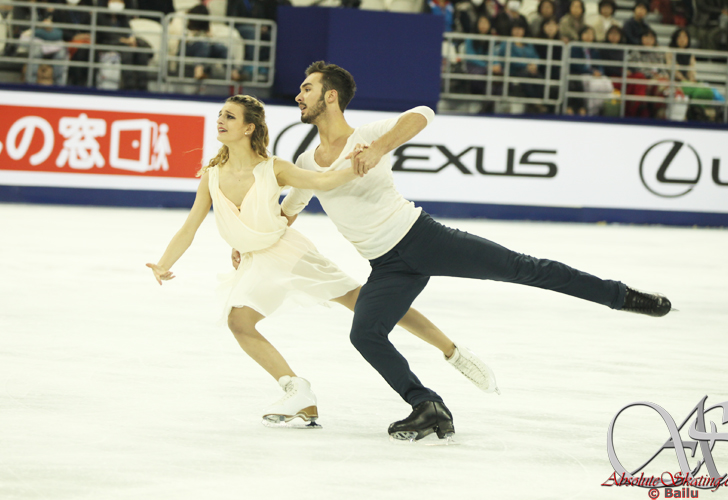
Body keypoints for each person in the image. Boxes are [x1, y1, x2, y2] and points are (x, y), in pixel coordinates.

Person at [281, 61, 672, 442]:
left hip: (423, 239)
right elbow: (290, 208)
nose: (299, 95)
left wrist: (378, 149)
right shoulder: (306, 162)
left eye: (307, 88)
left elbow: (422, 114)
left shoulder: (368, 135)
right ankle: (427, 405)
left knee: (524, 268)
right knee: (365, 334)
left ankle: (619, 295)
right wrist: (257, 232)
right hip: (386, 267)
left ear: (330, 97)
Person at [148, 94, 498, 428]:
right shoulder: (212, 174)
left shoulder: (273, 168)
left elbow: (323, 180)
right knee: (239, 321)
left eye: (229, 116)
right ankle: (297, 391)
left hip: (288, 251)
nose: (220, 121)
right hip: (256, 260)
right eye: (220, 115)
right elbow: (190, 226)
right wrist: (165, 263)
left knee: (363, 302)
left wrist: (359, 163)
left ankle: (452, 351)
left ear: (248, 128)